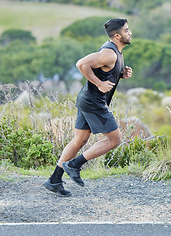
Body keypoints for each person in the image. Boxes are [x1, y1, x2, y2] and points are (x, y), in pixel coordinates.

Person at [44, 18, 133, 197]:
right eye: (127, 30)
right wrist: (99, 84)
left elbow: (104, 70)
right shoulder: (110, 53)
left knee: (80, 140)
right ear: (117, 35)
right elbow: (81, 64)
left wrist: (121, 74)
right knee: (115, 140)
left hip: (87, 100)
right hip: (94, 102)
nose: (130, 33)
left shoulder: (116, 53)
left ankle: (54, 180)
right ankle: (74, 165)